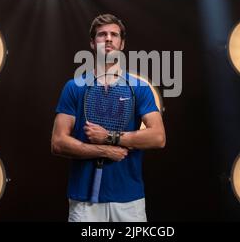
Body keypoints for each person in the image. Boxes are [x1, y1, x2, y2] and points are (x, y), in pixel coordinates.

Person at [51, 14, 166, 222]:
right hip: (84, 201)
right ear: (93, 43)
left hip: (129, 200)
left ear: (122, 44)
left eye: (114, 34)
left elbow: (158, 137)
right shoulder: (74, 87)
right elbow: (58, 143)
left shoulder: (139, 88)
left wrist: (109, 137)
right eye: (102, 35)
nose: (108, 39)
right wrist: (103, 150)